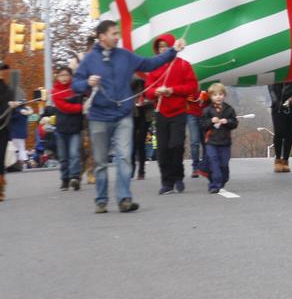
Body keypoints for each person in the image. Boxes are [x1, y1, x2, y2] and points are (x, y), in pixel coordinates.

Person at [72, 20, 181, 213]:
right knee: (100, 161)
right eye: (113, 33)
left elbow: (149, 63)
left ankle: (124, 199)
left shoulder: (125, 56)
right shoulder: (89, 60)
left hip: (123, 114)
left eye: (117, 33)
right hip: (98, 116)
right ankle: (101, 200)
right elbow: (75, 85)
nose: (117, 36)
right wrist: (87, 82)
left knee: (124, 158)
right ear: (102, 36)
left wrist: (172, 51)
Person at [143, 34, 199, 195]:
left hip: (179, 111)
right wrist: (157, 92)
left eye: (165, 46)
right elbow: (148, 91)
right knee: (162, 149)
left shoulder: (183, 65)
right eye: (160, 47)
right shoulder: (154, 68)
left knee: (176, 145)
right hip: (161, 112)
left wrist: (173, 90)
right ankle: (166, 182)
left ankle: (178, 176)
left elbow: (192, 86)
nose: (163, 49)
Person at [200, 83, 238, 194]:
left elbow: (235, 123)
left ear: (224, 95)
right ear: (210, 97)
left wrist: (228, 121)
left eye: (220, 94)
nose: (218, 97)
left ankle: (222, 179)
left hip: (225, 142)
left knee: (223, 164)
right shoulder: (207, 110)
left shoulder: (229, 109)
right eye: (215, 95)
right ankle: (214, 184)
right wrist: (210, 121)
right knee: (213, 161)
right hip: (211, 141)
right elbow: (202, 125)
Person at [51, 65, 84, 191]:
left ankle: (75, 177)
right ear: (57, 77)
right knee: (63, 156)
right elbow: (64, 106)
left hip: (75, 127)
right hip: (61, 128)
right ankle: (65, 179)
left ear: (71, 76)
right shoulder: (55, 91)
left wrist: (80, 106)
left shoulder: (76, 89)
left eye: (66, 75)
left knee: (74, 154)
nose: (64, 78)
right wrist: (80, 108)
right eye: (61, 75)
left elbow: (81, 101)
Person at [269, 81, 292, 173]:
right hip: (277, 107)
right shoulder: (276, 71)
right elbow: (271, 87)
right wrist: (275, 100)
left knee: (289, 134)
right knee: (278, 133)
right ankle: (278, 160)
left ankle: (285, 161)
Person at [130, 74, 152, 180]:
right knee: (132, 143)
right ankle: (131, 168)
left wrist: (146, 102)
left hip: (145, 115)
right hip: (133, 114)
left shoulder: (149, 80)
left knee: (141, 142)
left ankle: (141, 171)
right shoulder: (131, 79)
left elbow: (153, 98)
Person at [0, 60, 13, 201]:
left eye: (3, 70)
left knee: (0, 159)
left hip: (3, 128)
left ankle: (0, 188)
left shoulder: (8, 90)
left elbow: (8, 110)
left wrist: (13, 106)